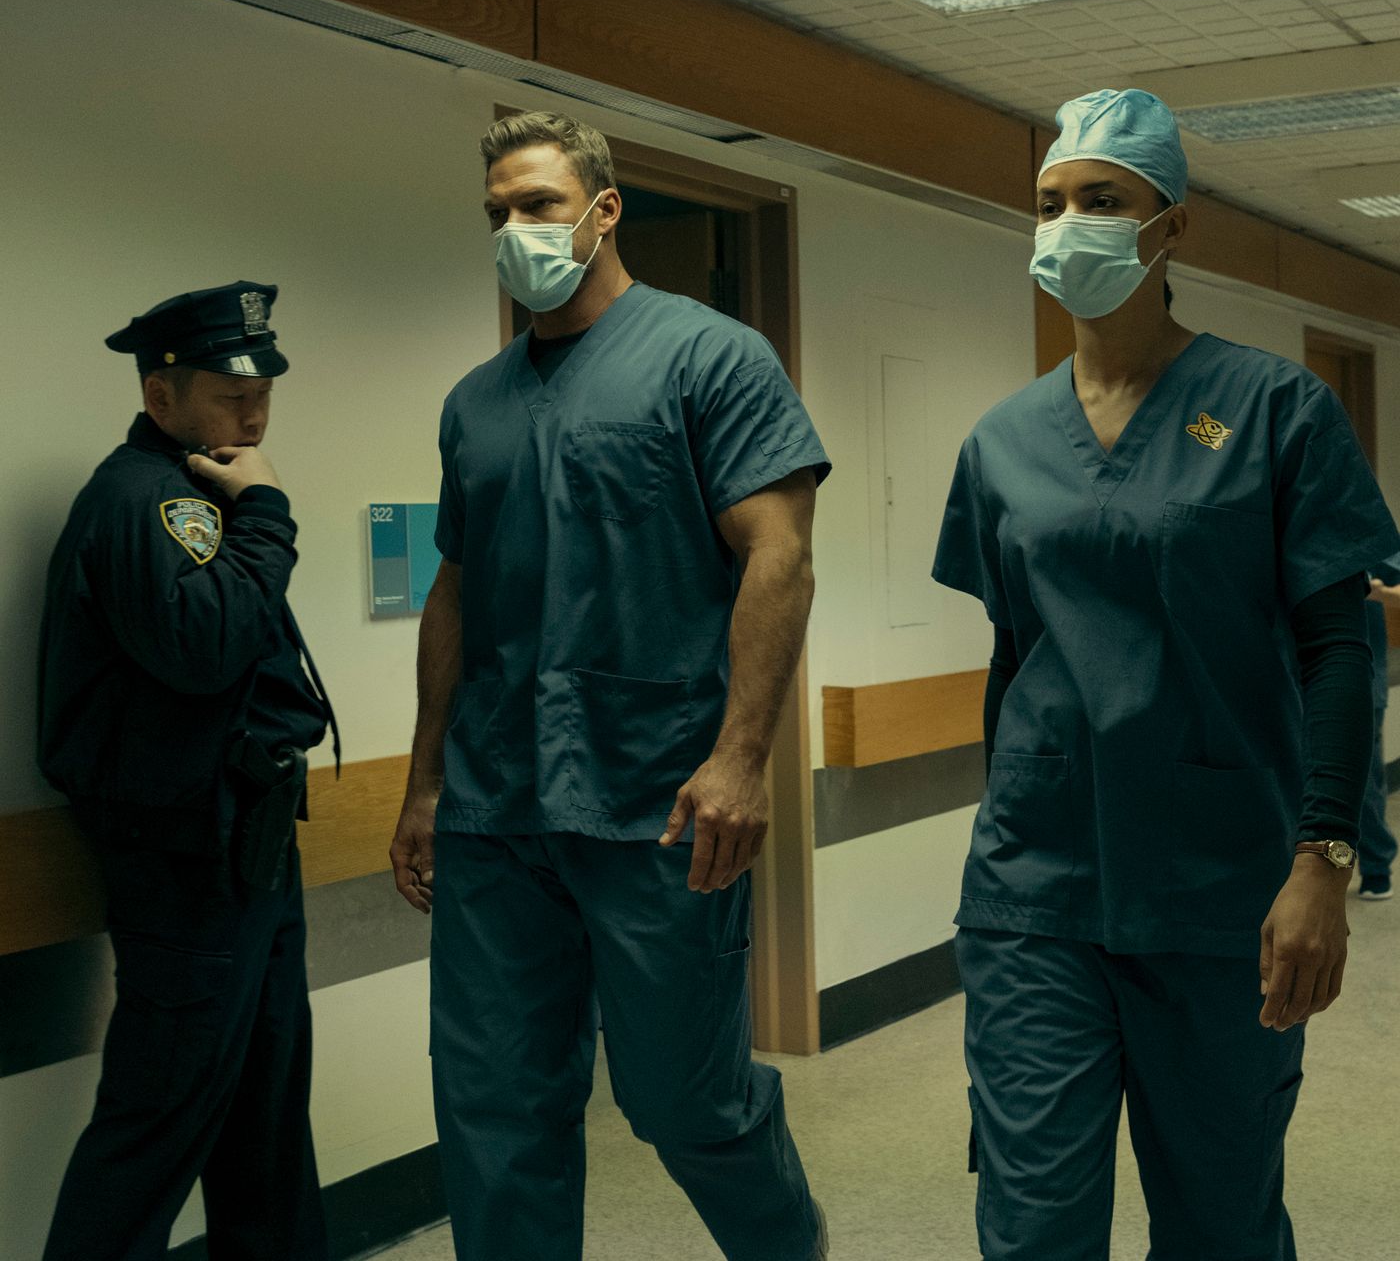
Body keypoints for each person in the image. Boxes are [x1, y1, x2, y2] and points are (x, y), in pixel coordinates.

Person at [933, 88, 1400, 1260]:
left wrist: (1323, 857)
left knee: (1218, 1223)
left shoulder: (1274, 408)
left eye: (1102, 199)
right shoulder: (1001, 443)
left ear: (1170, 226)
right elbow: (1013, 656)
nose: (1068, 224)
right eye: (1049, 203)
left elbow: (1341, 647)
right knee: (1030, 1226)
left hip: (1218, 887)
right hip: (1034, 888)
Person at [389, 112, 831, 1261]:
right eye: (496, 212)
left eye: (536, 204)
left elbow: (776, 555)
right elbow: (454, 593)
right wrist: (423, 779)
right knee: (493, 1111)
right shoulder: (473, 404)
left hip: (657, 802)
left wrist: (740, 756)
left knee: (682, 1098)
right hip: (494, 807)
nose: (515, 229)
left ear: (602, 208)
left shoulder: (708, 357)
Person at [38, 281, 338, 1261]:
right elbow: (205, 647)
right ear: (162, 398)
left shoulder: (194, 487)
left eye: (263, 393)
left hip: (242, 842)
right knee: (157, 1122)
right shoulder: (147, 497)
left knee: (262, 1115)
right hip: (185, 856)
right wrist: (269, 508)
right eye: (226, 394)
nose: (252, 414)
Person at [1358, 554, 1400, 899]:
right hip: (1298, 675)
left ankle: (1376, 866)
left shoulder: (1372, 540)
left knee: (1365, 779)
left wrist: (1379, 592)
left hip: (1362, 675)